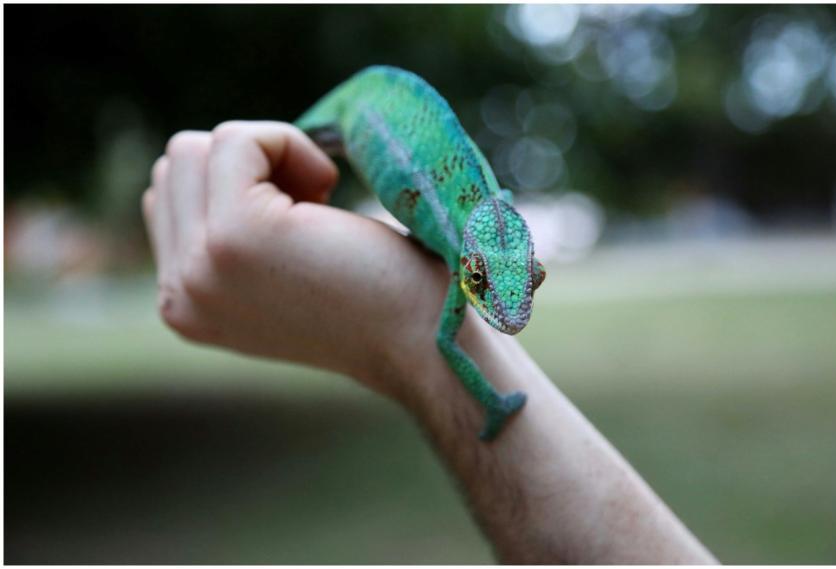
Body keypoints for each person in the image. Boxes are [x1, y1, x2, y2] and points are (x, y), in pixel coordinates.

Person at [142, 120, 717, 564]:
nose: (510, 310)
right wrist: (492, 405)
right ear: (469, 264)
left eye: (529, 279)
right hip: (362, 121)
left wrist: (398, 317)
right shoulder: (463, 240)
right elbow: (446, 342)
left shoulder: (483, 230)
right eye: (483, 285)